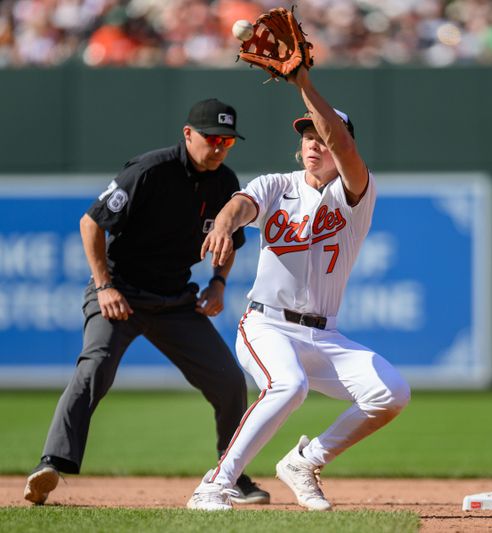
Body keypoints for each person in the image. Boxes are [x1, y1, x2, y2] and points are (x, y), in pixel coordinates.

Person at [186, 66, 411, 512]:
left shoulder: (356, 193)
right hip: (266, 323)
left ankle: (305, 461)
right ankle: (214, 485)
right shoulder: (277, 186)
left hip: (323, 334)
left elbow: (343, 143)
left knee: (391, 392)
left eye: (323, 134)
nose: (315, 141)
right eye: (307, 134)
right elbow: (238, 204)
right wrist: (225, 226)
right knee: (288, 386)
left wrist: (303, 83)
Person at [23, 98, 268, 507]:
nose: (220, 147)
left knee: (228, 380)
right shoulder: (150, 171)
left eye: (228, 140)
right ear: (188, 134)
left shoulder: (225, 181)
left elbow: (230, 241)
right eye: (212, 138)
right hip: (122, 291)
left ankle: (232, 475)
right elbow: (91, 223)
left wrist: (219, 283)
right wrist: (104, 287)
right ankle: (52, 462)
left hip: (175, 299)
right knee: (95, 365)